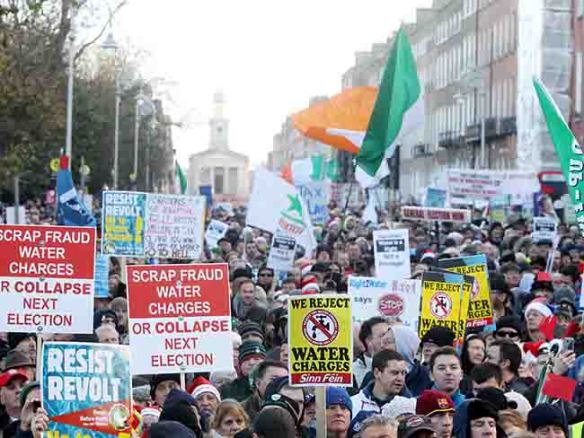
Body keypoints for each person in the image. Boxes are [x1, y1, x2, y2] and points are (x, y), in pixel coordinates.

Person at [351, 350, 412, 417]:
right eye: (394, 373)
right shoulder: (353, 404)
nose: (400, 378)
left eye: (403, 373)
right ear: (377, 373)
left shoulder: (410, 406)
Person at [354, 317, 394, 387]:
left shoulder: (400, 367)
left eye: (390, 335)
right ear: (368, 340)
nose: (388, 339)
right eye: (383, 335)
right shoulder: (353, 371)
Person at [0, 369, 28, 434]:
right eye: (11, 387)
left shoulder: (40, 420)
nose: (19, 390)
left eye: (22, 386)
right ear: (2, 397)